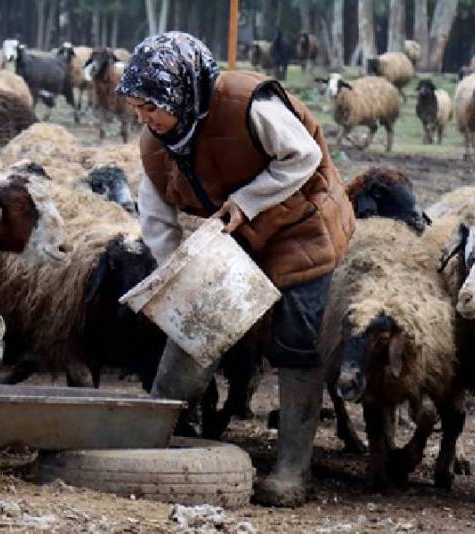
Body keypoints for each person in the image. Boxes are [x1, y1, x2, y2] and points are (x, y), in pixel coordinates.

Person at [115, 32, 355, 507]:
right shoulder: (156, 143)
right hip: (236, 234)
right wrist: (178, 277)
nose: (142, 116)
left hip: (301, 224)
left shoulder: (247, 104)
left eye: (150, 104)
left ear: (181, 90)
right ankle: (155, 437)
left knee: (296, 336)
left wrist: (247, 202)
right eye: (136, 105)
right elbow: (157, 217)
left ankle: (292, 465)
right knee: (194, 324)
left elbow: (304, 156)